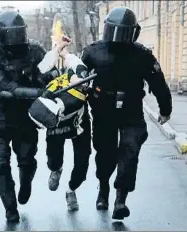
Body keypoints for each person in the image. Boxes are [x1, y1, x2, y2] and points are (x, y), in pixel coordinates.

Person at [70, 6, 172, 220]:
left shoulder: (142, 54)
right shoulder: (92, 51)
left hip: (131, 110)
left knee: (129, 152)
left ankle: (120, 199)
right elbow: (76, 77)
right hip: (103, 110)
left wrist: (165, 109)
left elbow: (158, 81)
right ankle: (104, 188)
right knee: (105, 154)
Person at [0, 10, 60, 223]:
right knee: (0, 163)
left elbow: (50, 73)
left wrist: (53, 80)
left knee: (26, 161)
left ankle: (25, 185)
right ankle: (10, 209)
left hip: (26, 118)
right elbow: (8, 88)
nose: (15, 41)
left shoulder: (34, 50)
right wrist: (39, 93)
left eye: (18, 35)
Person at [39, 42, 92, 211]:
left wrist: (66, 54)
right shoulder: (46, 69)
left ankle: (71, 190)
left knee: (83, 163)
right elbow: (41, 68)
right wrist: (55, 51)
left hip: (79, 122)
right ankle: (56, 169)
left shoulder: (75, 66)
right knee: (53, 160)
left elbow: (78, 66)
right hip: (56, 122)